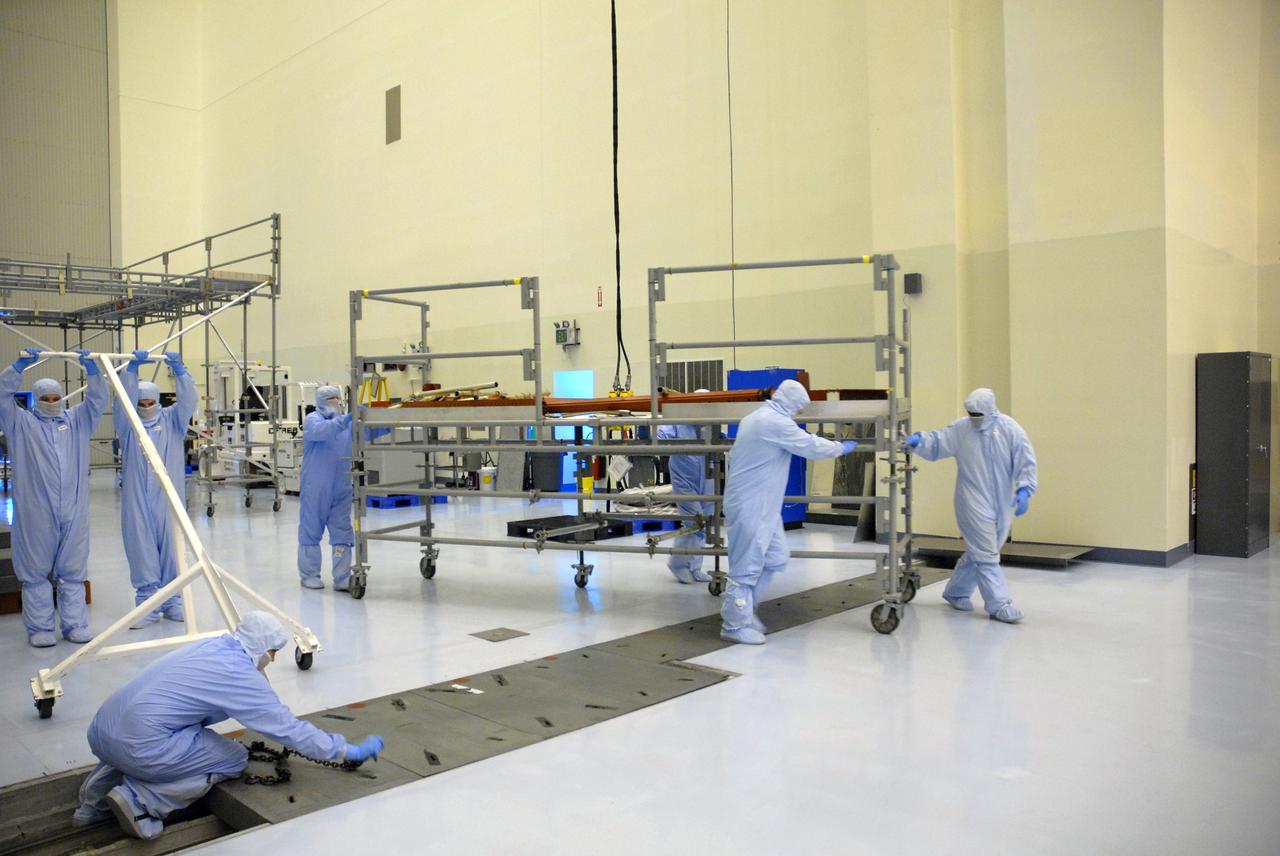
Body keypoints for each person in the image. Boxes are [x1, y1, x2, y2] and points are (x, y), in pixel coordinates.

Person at [73, 611, 385, 840]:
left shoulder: (211, 648)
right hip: (141, 746)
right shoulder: (239, 674)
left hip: (101, 732)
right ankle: (141, 801)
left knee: (149, 734)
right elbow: (287, 728)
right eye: (273, 652)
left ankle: (92, 800)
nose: (273, 660)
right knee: (234, 757)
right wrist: (345, 750)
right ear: (262, 649)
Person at [721, 380, 855, 644]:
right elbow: (810, 446)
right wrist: (841, 447)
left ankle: (747, 612)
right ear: (791, 402)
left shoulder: (758, 418)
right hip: (751, 505)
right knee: (745, 567)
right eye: (798, 408)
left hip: (762, 505)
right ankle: (734, 625)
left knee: (775, 557)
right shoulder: (772, 422)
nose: (798, 413)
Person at [0, 347, 108, 647]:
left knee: (73, 568)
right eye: (45, 399)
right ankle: (40, 628)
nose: (51, 403)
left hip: (73, 508)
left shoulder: (76, 421)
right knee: (35, 569)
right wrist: (17, 368)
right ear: (35, 399)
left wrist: (94, 372)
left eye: (55, 398)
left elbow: (98, 401)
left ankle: (74, 625)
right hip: (36, 511)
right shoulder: (20, 423)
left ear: (62, 398)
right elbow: (1, 396)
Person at [904, 387, 1037, 623]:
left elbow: (1025, 458)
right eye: (971, 413)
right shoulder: (962, 429)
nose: (974, 418)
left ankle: (956, 591)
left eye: (978, 414)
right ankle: (999, 604)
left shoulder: (1009, 429)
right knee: (986, 554)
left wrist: (1026, 489)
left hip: (1002, 502)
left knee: (983, 550)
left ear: (989, 409)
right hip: (972, 500)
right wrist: (917, 440)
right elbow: (937, 442)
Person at [115, 350, 198, 627]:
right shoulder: (128, 426)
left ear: (159, 401)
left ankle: (173, 599)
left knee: (172, 546)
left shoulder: (172, 421)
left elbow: (189, 400)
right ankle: (147, 603)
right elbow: (121, 403)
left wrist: (181, 372)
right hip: (137, 497)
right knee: (141, 546)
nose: (147, 406)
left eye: (151, 401)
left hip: (168, 497)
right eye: (142, 402)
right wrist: (131, 372)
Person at [656, 389, 715, 584]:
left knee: (705, 523)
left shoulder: (710, 423)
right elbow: (659, 436)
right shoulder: (678, 421)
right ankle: (678, 564)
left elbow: (720, 439)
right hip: (684, 478)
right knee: (694, 522)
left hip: (707, 476)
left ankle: (695, 567)